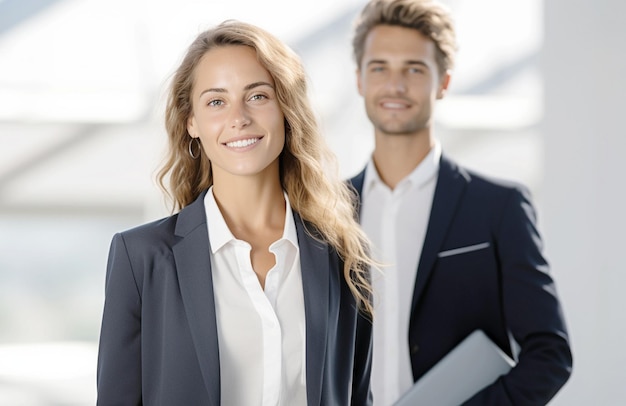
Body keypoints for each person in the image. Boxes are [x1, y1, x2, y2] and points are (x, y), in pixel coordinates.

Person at [96, 20, 375, 405]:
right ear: (191, 121)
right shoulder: (142, 258)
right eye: (216, 101)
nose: (238, 117)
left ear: (286, 109)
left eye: (258, 96)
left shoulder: (342, 256)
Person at [348, 0, 573, 404]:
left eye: (414, 69)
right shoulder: (325, 210)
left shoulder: (497, 207)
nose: (395, 85)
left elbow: (550, 353)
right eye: (379, 67)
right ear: (360, 80)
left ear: (443, 83)